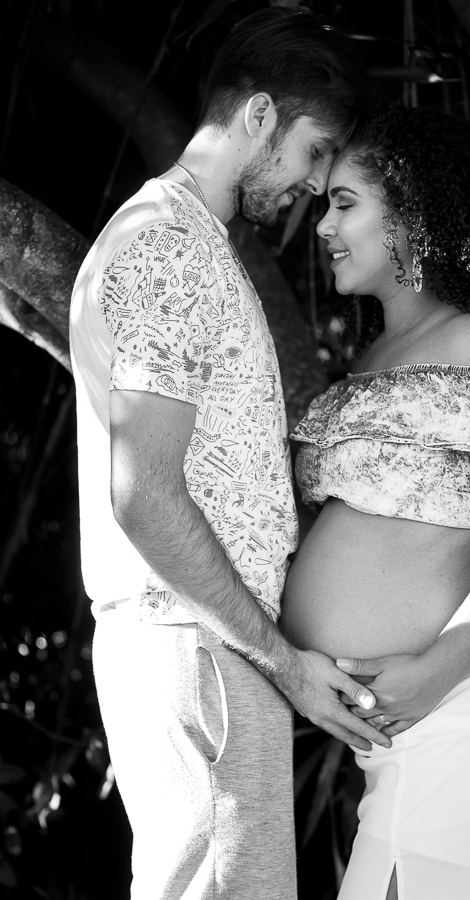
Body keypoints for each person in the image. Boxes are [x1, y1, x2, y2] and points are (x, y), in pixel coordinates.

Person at [69, 10, 391, 900]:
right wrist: (282, 660)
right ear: (258, 115)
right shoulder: (164, 248)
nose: (314, 184)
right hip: (200, 649)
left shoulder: (189, 243)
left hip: (206, 650)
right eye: (312, 149)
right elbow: (144, 496)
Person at [282, 101, 470, 900]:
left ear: (412, 214)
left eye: (345, 203)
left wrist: (433, 674)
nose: (323, 227)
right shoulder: (378, 353)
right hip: (407, 733)